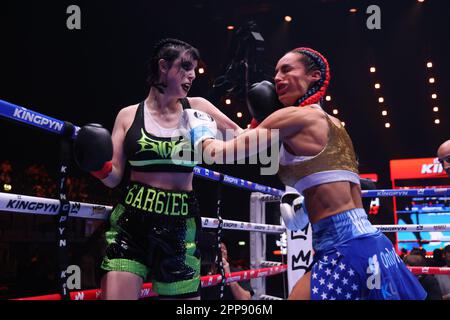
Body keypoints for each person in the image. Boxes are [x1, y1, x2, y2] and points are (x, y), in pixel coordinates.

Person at [182, 47, 426, 300]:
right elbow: (331, 180)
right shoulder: (334, 123)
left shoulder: (293, 118)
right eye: (276, 71)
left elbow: (217, 153)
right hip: (369, 241)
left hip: (342, 247)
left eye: (287, 69)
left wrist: (198, 125)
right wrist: (306, 207)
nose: (277, 77)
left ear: (315, 76)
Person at [74, 38, 242, 300]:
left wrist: (266, 130)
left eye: (194, 69)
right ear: (163, 66)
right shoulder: (128, 115)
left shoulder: (197, 108)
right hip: (133, 220)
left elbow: (240, 136)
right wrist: (97, 165)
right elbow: (115, 176)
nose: (192, 74)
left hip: (180, 223)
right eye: (185, 66)